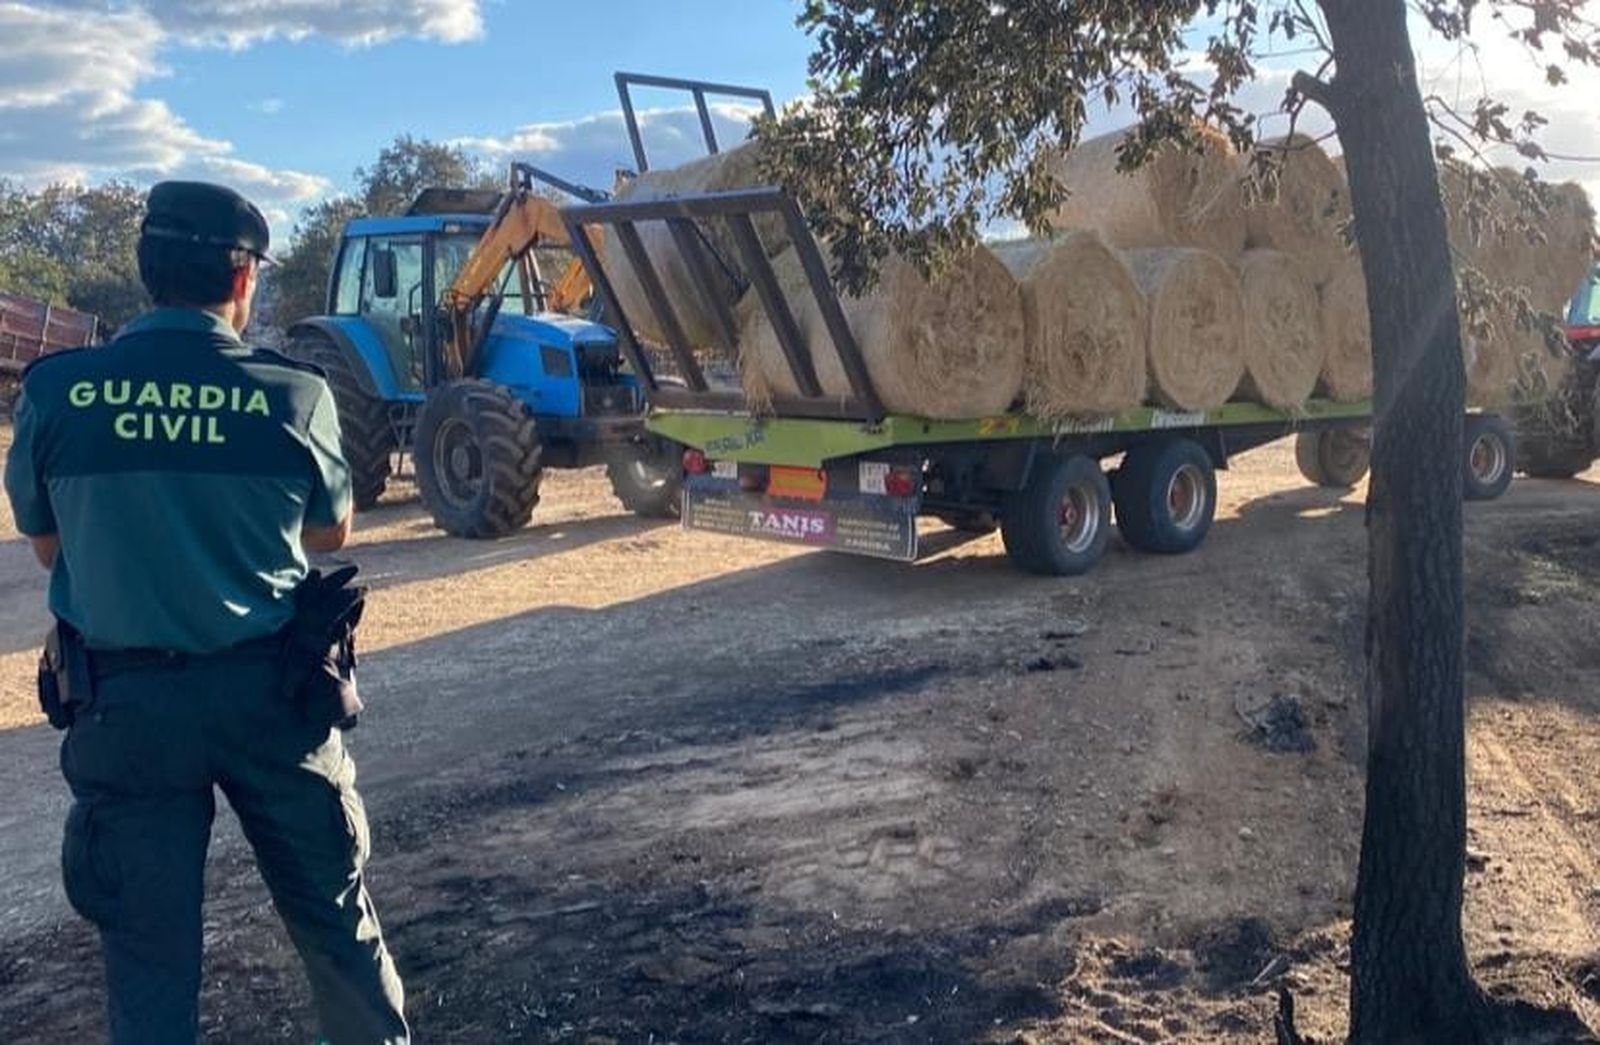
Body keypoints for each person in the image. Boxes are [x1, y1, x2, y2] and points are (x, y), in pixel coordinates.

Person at [2, 181, 409, 1044]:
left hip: (126, 708)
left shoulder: (58, 392)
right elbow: (331, 529)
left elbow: (45, 543)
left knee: (149, 966)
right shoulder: (293, 394)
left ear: (146, 270)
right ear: (243, 278)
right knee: (336, 928)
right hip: (273, 700)